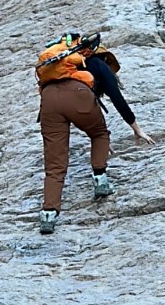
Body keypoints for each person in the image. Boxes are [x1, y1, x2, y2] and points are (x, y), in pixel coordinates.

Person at [37, 30, 153, 234]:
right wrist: (137, 129)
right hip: (80, 96)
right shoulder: (98, 64)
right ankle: (100, 180)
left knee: (54, 166)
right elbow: (117, 100)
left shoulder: (59, 65)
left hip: (48, 101)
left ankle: (48, 215)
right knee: (99, 134)